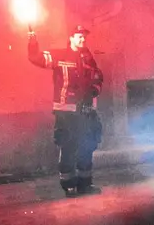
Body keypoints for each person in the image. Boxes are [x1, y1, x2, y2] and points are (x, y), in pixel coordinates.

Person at [28, 24, 105, 196]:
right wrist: (32, 38)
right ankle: (69, 185)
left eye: (84, 36)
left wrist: (95, 89)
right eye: (79, 36)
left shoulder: (88, 57)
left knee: (87, 146)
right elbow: (35, 57)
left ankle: (85, 184)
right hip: (66, 112)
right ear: (70, 38)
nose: (82, 39)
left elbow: (98, 76)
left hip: (86, 111)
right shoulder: (59, 55)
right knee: (68, 146)